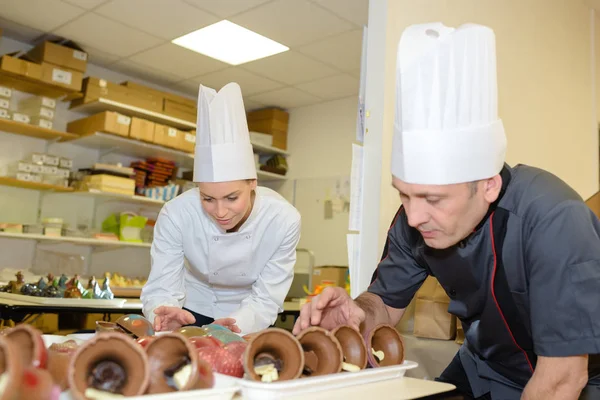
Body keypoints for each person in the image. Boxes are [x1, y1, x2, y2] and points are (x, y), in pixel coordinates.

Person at [293, 22, 600, 399]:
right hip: (485, 365)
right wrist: (356, 313)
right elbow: (382, 305)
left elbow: (563, 379)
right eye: (403, 195)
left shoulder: (553, 219)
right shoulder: (412, 221)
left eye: (433, 199)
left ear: (488, 185)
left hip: (576, 378)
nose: (414, 216)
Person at [141, 82, 301, 335]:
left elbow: (267, 297)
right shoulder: (177, 214)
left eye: (231, 198)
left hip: (249, 316)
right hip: (190, 309)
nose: (220, 212)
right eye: (207, 199)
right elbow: (162, 283)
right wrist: (162, 313)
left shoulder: (282, 219)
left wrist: (234, 326)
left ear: (252, 183)